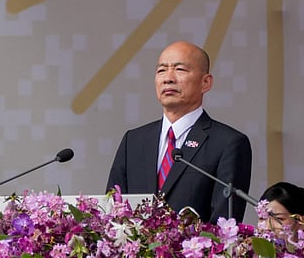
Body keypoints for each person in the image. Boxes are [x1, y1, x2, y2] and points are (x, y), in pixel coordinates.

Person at [106, 40, 252, 223]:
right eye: (161, 70)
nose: (168, 78)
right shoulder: (133, 141)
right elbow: (113, 209)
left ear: (206, 82)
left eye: (180, 69)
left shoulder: (228, 143)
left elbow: (224, 224)